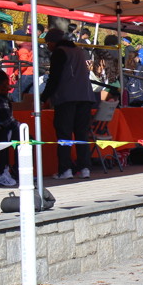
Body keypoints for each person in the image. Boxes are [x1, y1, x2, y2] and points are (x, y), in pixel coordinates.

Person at [40, 28, 97, 180]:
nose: (47, 46)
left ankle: (65, 169)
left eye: (48, 43)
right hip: (85, 96)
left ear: (53, 42)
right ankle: (84, 168)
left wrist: (43, 97)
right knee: (81, 134)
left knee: (64, 134)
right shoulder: (78, 50)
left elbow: (54, 78)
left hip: (67, 97)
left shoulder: (59, 52)